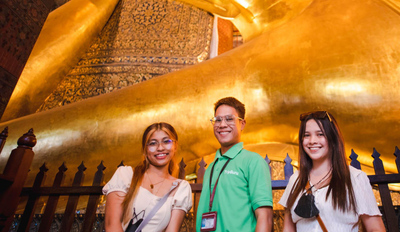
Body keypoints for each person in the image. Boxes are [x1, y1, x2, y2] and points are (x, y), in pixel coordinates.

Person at [279, 111, 385, 232]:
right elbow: (288, 228)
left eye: (320, 134)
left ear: (332, 138)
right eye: (306, 135)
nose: (312, 140)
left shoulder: (355, 178)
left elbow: (375, 228)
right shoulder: (296, 178)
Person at [196, 97, 273, 232]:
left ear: (242, 124)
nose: (222, 124)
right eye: (218, 120)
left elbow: (265, 217)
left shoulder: (253, 161)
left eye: (229, 119)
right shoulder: (210, 168)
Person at [103, 122, 192, 232]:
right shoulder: (126, 175)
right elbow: (112, 225)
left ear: (175, 146)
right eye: (153, 143)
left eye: (166, 141)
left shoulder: (180, 188)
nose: (160, 148)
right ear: (145, 149)